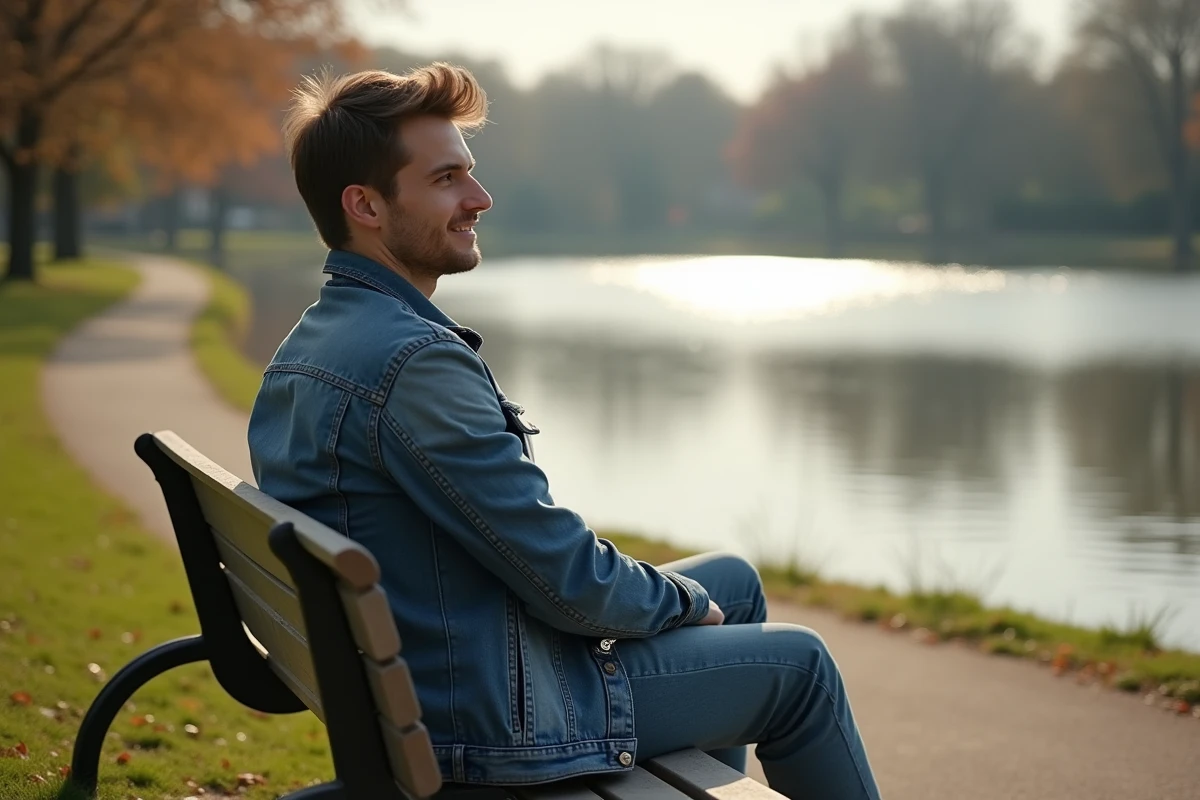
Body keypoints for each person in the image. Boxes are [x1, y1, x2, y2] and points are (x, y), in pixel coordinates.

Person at [248, 63, 881, 800]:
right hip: (493, 722)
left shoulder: (312, 345)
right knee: (801, 667)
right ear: (366, 205)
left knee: (732, 582)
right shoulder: (412, 363)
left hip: (439, 680)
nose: (479, 199)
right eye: (448, 178)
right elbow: (565, 579)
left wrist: (673, 595)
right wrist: (677, 600)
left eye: (471, 174)